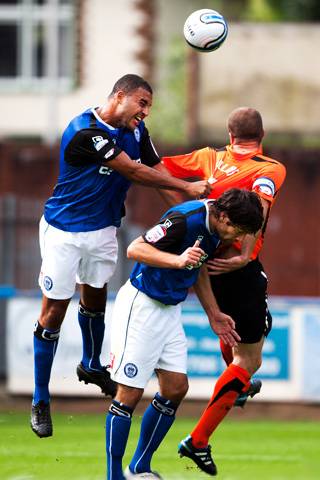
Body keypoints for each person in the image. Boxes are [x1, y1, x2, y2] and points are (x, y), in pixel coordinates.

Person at [30, 74, 212, 439]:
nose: (145, 112)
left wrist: (192, 213)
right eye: (142, 103)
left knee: (95, 296)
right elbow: (132, 170)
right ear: (119, 96)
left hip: (103, 230)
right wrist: (187, 185)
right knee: (54, 310)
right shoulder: (86, 130)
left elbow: (156, 169)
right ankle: (40, 399)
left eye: (149, 107)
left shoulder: (138, 133)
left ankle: (91, 363)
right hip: (64, 231)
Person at [105, 188, 264, 480]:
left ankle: (139, 468)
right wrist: (177, 261)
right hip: (141, 305)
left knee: (176, 388)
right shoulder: (185, 219)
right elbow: (136, 249)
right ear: (224, 216)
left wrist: (213, 313)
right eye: (237, 231)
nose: (236, 239)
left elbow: (199, 267)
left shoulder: (216, 229)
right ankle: (113, 476)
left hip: (169, 309)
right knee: (129, 393)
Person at [162, 107, 286, 475]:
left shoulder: (208, 157)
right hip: (236, 268)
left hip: (205, 261)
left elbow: (159, 172)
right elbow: (260, 207)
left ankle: (238, 385)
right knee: (249, 360)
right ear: (261, 135)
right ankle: (198, 441)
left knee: (233, 333)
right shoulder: (270, 167)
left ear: (229, 135)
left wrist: (186, 213)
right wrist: (245, 255)